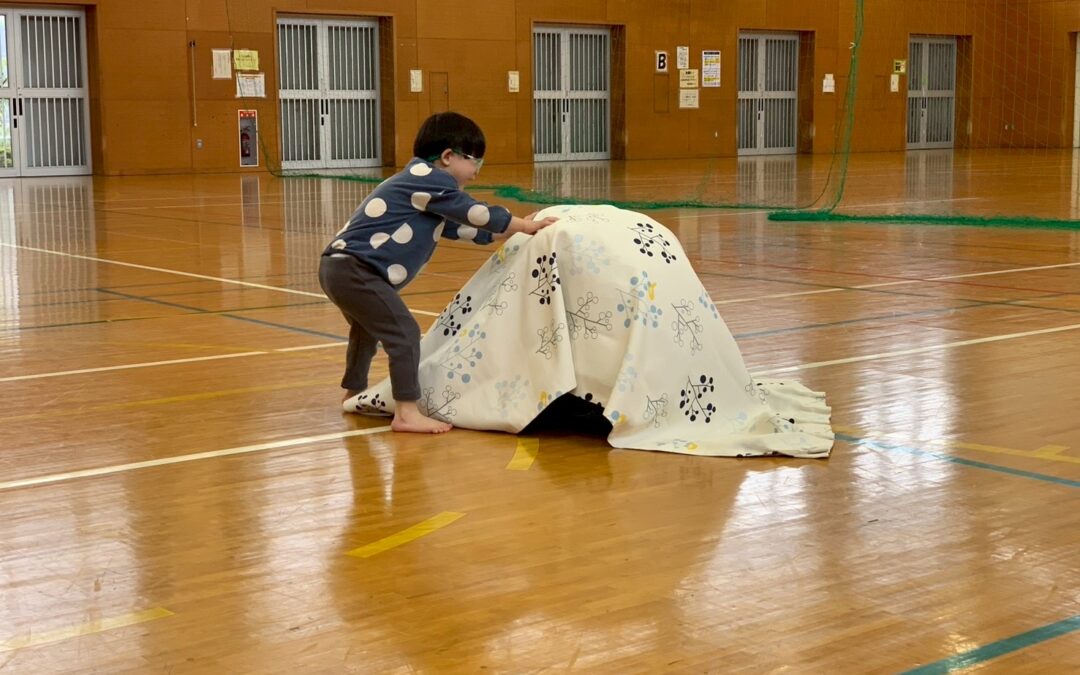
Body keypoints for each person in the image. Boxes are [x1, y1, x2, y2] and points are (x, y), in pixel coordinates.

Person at [319, 112, 557, 434]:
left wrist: (502, 233)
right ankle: (406, 412)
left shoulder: (418, 186)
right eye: (475, 163)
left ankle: (354, 392)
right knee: (403, 334)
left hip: (337, 267)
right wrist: (525, 226)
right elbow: (476, 212)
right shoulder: (433, 180)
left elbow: (459, 228)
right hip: (356, 269)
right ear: (447, 157)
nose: (474, 174)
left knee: (366, 331)